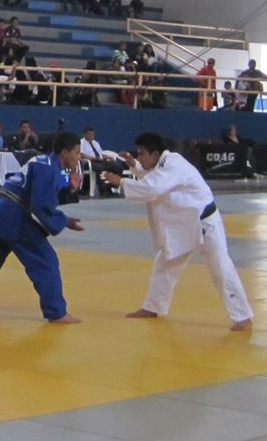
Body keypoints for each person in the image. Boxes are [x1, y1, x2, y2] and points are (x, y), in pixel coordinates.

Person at [101, 131, 253, 331]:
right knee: (164, 263)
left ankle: (243, 317)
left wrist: (121, 181)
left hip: (204, 223)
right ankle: (153, 307)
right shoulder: (162, 166)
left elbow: (154, 188)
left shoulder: (174, 163)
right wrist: (135, 166)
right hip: (185, 226)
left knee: (220, 268)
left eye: (142, 154)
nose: (139, 157)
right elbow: (155, 178)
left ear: (155, 154)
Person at [0, 132, 85, 324]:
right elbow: (40, 204)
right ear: (65, 152)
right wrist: (64, 220)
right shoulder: (48, 169)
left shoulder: (44, 163)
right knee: (46, 262)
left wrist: (70, 189)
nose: (79, 157)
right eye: (77, 152)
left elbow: (45, 195)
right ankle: (57, 312)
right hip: (14, 218)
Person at [79, 126, 124, 196]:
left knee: (117, 167)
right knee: (100, 168)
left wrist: (108, 157)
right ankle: (103, 190)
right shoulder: (81, 142)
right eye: (90, 134)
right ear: (85, 135)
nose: (92, 136)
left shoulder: (95, 143)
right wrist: (95, 158)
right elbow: (82, 155)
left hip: (100, 161)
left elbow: (101, 154)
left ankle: (112, 186)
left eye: (93, 134)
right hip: (90, 162)